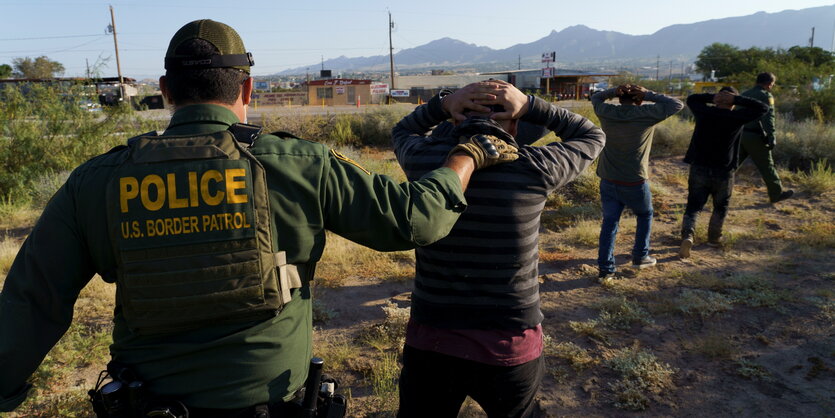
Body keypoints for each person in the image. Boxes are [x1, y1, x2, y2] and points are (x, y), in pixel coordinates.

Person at [0, 20, 519, 416]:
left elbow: (31, 300)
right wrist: (466, 155)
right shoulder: (299, 163)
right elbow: (414, 218)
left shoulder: (97, 181)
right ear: (246, 90)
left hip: (147, 401)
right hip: (273, 401)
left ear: (165, 89)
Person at [392, 80, 605, 417]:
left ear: (456, 119)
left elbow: (403, 130)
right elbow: (593, 136)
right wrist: (532, 104)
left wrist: (443, 103)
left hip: (433, 333)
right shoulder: (535, 166)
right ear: (517, 124)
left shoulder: (424, 161)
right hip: (508, 338)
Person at [592, 84, 683, 280]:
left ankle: (605, 270)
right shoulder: (647, 113)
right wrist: (649, 93)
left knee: (609, 223)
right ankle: (640, 257)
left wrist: (611, 91)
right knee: (645, 214)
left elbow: (596, 98)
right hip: (634, 180)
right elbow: (676, 104)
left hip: (608, 177)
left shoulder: (607, 112)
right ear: (639, 99)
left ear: (619, 98)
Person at [679, 87, 768, 258]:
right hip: (724, 170)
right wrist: (736, 100)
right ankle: (714, 238)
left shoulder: (704, 112)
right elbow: (763, 108)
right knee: (721, 205)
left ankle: (688, 235)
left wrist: (714, 97)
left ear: (717, 100)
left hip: (699, 167)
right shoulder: (736, 117)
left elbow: (692, 99)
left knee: (694, 205)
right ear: (732, 103)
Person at [739, 72, 794, 203]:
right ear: (769, 84)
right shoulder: (766, 96)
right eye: (772, 84)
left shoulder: (744, 94)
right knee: (767, 166)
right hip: (755, 136)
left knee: (732, 165)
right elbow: (769, 118)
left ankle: (717, 190)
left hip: (740, 134)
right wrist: (771, 136)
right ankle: (776, 194)